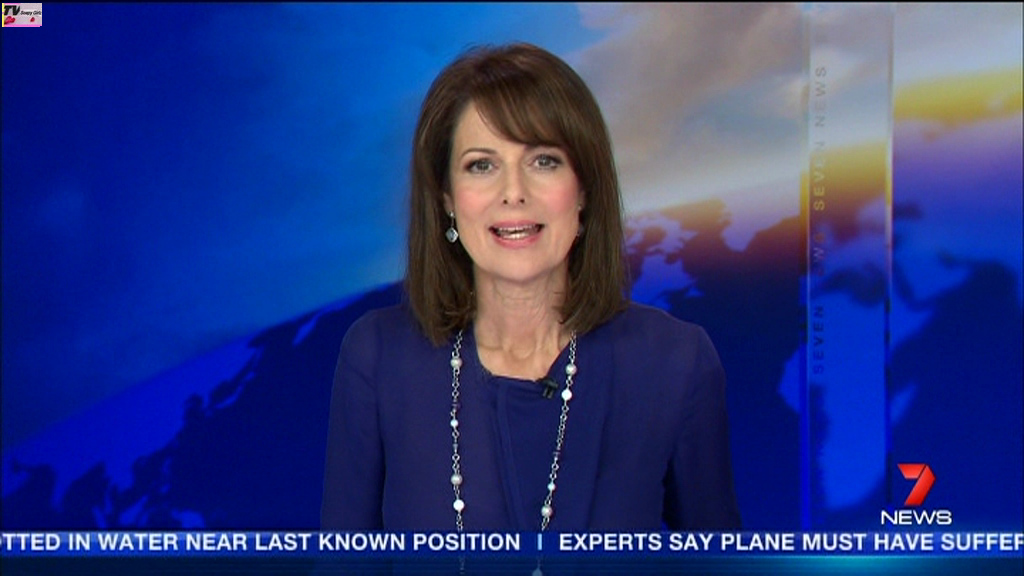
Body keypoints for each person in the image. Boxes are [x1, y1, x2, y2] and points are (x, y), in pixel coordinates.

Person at [321, 43, 741, 531]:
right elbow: (345, 562)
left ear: (583, 189)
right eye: (482, 165)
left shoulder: (675, 361)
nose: (513, 192)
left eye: (543, 160)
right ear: (447, 198)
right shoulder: (378, 356)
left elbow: (717, 562)